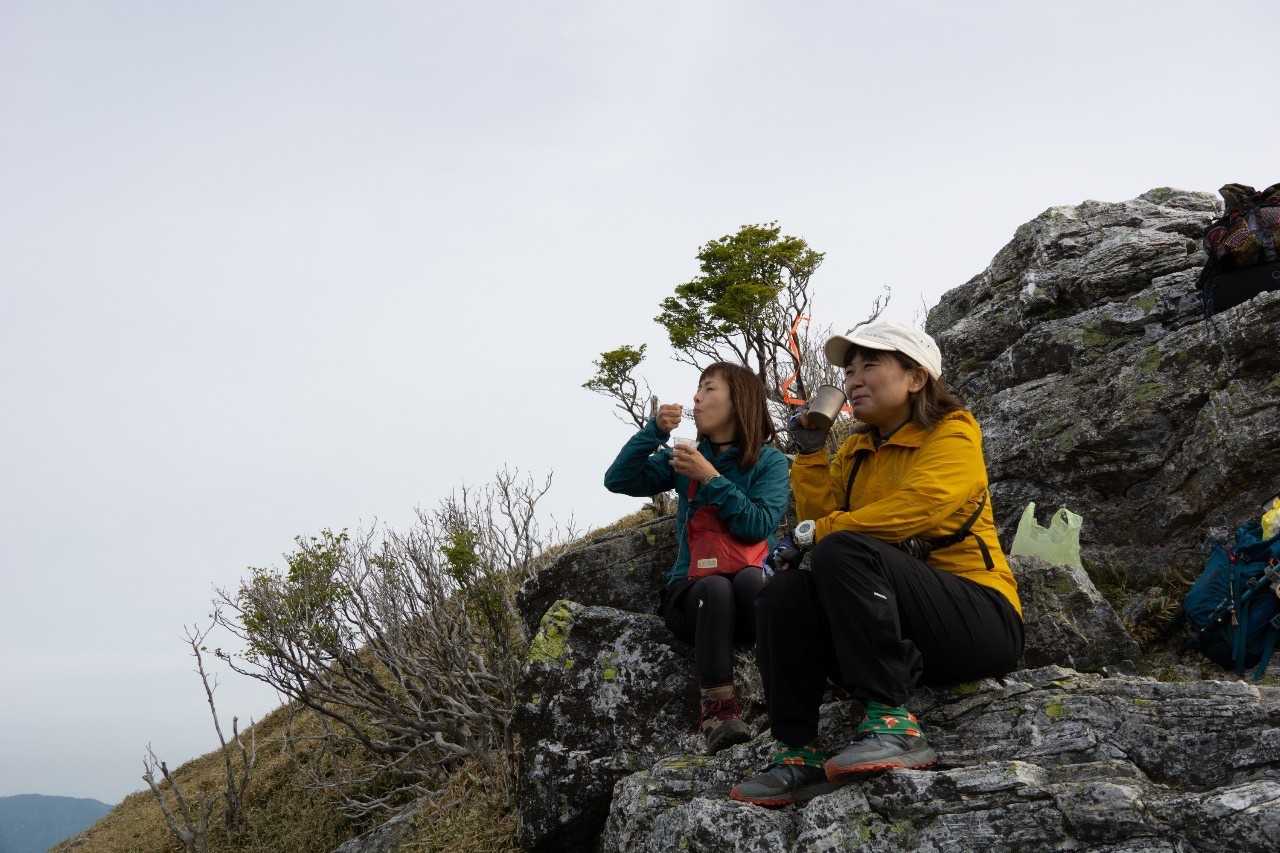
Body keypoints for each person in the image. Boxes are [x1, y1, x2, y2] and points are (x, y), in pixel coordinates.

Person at [730, 321, 1024, 807]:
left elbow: (924, 505)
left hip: (978, 621)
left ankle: (893, 723)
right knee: (784, 590)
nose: (854, 379)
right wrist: (811, 455)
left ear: (917, 377)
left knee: (841, 546)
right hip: (897, 630)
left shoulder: (953, 432)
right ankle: (797, 751)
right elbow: (819, 521)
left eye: (870, 365)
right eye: (849, 370)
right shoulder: (856, 451)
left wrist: (822, 532)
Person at [604, 362, 790, 753]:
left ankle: (787, 696)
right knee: (715, 587)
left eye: (708, 389)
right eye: (698, 388)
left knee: (752, 580)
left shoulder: (770, 462)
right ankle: (718, 712)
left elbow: (757, 525)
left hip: (751, 597)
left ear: (738, 400)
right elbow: (619, 480)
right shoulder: (685, 457)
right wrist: (654, 432)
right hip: (693, 595)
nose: (696, 398)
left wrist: (711, 478)